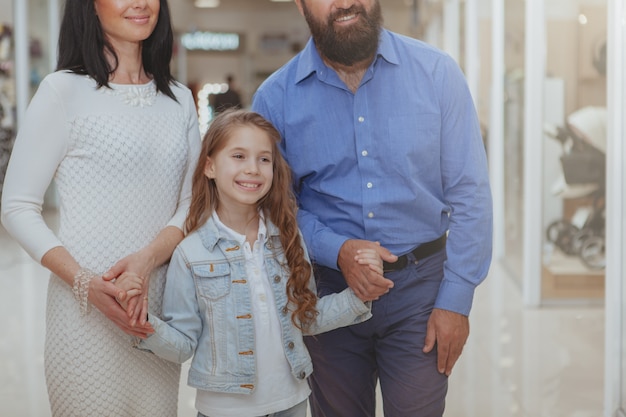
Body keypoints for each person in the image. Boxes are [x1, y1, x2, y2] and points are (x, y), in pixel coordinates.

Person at [251, 0, 493, 416]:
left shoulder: (437, 74)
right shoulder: (275, 98)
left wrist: (456, 300)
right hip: (324, 296)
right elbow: (275, 208)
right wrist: (337, 249)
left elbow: (471, 194)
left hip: (422, 293)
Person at [0, 0, 201, 415]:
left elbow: (191, 203)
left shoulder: (179, 99)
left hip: (155, 313)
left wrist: (145, 262)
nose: (141, 3)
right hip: (83, 316)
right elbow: (17, 205)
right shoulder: (63, 91)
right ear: (89, 6)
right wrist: (85, 283)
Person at [120, 109, 374, 417]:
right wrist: (141, 323)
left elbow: (306, 318)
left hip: (291, 403)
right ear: (210, 166)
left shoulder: (288, 239)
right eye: (239, 156)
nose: (253, 168)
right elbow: (184, 343)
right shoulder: (191, 253)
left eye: (263, 159)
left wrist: (359, 296)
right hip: (224, 410)